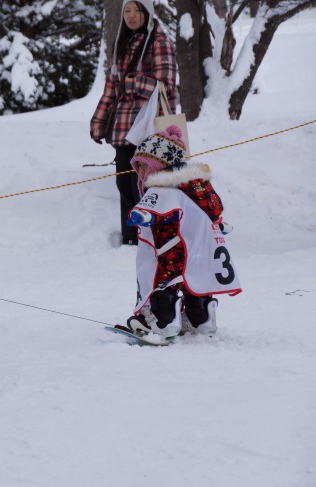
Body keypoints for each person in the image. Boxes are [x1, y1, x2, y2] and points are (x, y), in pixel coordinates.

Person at [122, 125, 241, 338]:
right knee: (194, 280)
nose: (140, 172)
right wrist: (219, 225)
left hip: (169, 250)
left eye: (143, 166)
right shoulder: (197, 186)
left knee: (162, 281)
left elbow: (154, 210)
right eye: (137, 166)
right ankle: (201, 318)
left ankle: (161, 321)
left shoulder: (162, 187)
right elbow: (212, 211)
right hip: (196, 248)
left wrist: (141, 215)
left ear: (159, 165)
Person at [90, 0, 177, 246]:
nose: (130, 15)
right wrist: (98, 120)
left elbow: (166, 88)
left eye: (136, 10)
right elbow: (110, 89)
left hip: (151, 129)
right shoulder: (122, 45)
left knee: (142, 184)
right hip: (123, 129)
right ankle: (132, 237)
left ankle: (152, 237)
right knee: (123, 182)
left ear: (147, 12)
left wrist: (133, 82)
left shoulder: (159, 43)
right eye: (126, 10)